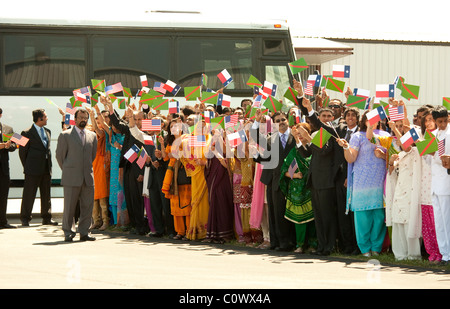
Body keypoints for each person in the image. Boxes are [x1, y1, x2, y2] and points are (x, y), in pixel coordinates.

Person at [338, 111, 388, 257]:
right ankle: (365, 248)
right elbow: (351, 158)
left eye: (375, 119)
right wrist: (346, 147)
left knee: (378, 216)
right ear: (365, 121)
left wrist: (383, 155)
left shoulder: (384, 136)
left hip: (379, 181)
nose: (372, 122)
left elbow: (392, 157)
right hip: (362, 182)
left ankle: (376, 247)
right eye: (369, 119)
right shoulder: (357, 137)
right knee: (363, 217)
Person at [250, 109, 297, 252]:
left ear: (288, 120)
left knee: (293, 212)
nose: (281, 122)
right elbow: (255, 136)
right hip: (274, 180)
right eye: (278, 121)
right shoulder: (270, 138)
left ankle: (294, 242)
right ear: (274, 124)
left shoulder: (296, 137)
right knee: (276, 213)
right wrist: (257, 121)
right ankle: (278, 242)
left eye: (283, 119)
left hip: (294, 179)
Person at [55, 109, 98, 242]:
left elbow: (93, 155)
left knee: (87, 207)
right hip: (71, 177)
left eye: (85, 118)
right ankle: (68, 232)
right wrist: (69, 170)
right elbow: (60, 157)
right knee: (69, 208)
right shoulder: (65, 135)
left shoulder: (92, 135)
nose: (83, 120)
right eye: (81, 117)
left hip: (88, 177)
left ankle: (85, 232)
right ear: (75, 118)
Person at [280, 122, 316, 253]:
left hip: (311, 188)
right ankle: (300, 245)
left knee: (313, 219)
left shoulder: (314, 149)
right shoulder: (293, 152)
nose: (300, 136)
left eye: (302, 133)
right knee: (299, 220)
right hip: (297, 191)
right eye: (297, 133)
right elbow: (284, 170)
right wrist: (294, 175)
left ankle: (313, 245)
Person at [19, 109, 57, 226]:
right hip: (32, 169)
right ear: (39, 118)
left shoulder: (48, 131)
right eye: (45, 117)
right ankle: (25, 218)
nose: (47, 119)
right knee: (29, 194)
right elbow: (22, 153)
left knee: (46, 194)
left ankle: (47, 218)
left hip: (46, 168)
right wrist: (27, 166)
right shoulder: (25, 132)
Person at [161, 119, 192, 240]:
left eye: (176, 126)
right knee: (175, 204)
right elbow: (166, 157)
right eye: (171, 127)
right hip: (172, 174)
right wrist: (162, 146)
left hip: (184, 173)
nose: (173, 128)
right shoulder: (169, 142)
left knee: (187, 204)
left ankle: (189, 231)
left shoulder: (187, 139)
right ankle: (180, 231)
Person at [429, 106, 450, 264]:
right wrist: (428, 153)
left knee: (447, 220)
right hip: (435, 183)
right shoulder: (434, 135)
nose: (442, 124)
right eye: (439, 121)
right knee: (439, 221)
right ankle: (444, 254)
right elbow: (430, 159)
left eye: (445, 121)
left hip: (446, 182)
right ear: (435, 121)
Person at [87, 107, 110, 231]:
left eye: (98, 120)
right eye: (95, 120)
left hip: (101, 165)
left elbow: (96, 128)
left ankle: (105, 221)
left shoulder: (103, 133)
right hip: (92, 165)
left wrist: (92, 113)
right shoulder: (90, 133)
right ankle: (96, 221)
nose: (96, 122)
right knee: (93, 195)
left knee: (101, 194)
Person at [0, 108, 17, 229]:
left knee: (3, 195)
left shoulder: (8, 129)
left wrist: (7, 146)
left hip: (3, 168)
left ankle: (2, 221)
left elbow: (14, 145)